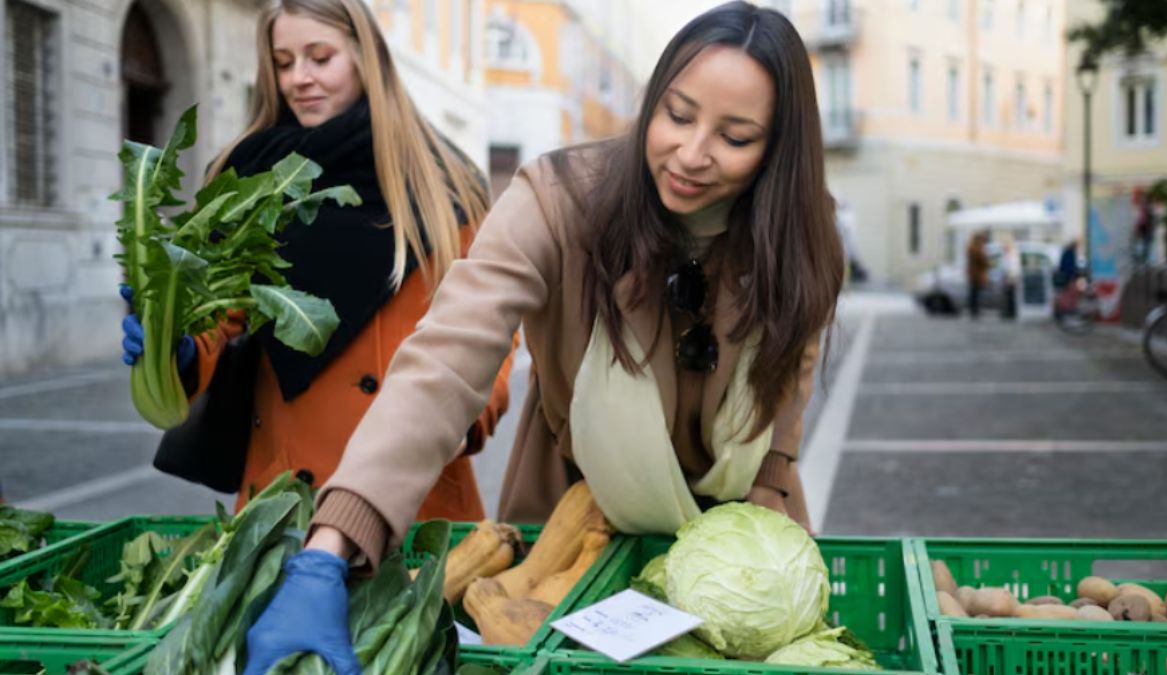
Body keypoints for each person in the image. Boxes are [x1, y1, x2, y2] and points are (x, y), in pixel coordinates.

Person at [243, 3, 844, 673]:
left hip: (736, 540)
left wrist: (774, 478)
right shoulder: (558, 199)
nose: (692, 152)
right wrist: (332, 542)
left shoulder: (801, 228)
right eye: (676, 115)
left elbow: (794, 359)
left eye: (735, 137)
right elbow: (448, 354)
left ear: (778, 148)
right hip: (571, 523)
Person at [120, 0, 516, 520]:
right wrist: (181, 350)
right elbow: (217, 311)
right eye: (283, 63)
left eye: (319, 57)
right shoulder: (246, 176)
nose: (298, 79)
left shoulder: (441, 179)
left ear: (363, 56)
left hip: (414, 489)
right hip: (284, 497)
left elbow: (492, 329)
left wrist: (459, 422)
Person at [966, 232, 989, 319]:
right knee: (975, 293)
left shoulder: (971, 248)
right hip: (976, 275)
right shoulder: (976, 249)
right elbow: (983, 261)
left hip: (973, 274)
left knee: (974, 293)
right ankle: (974, 310)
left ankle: (974, 310)